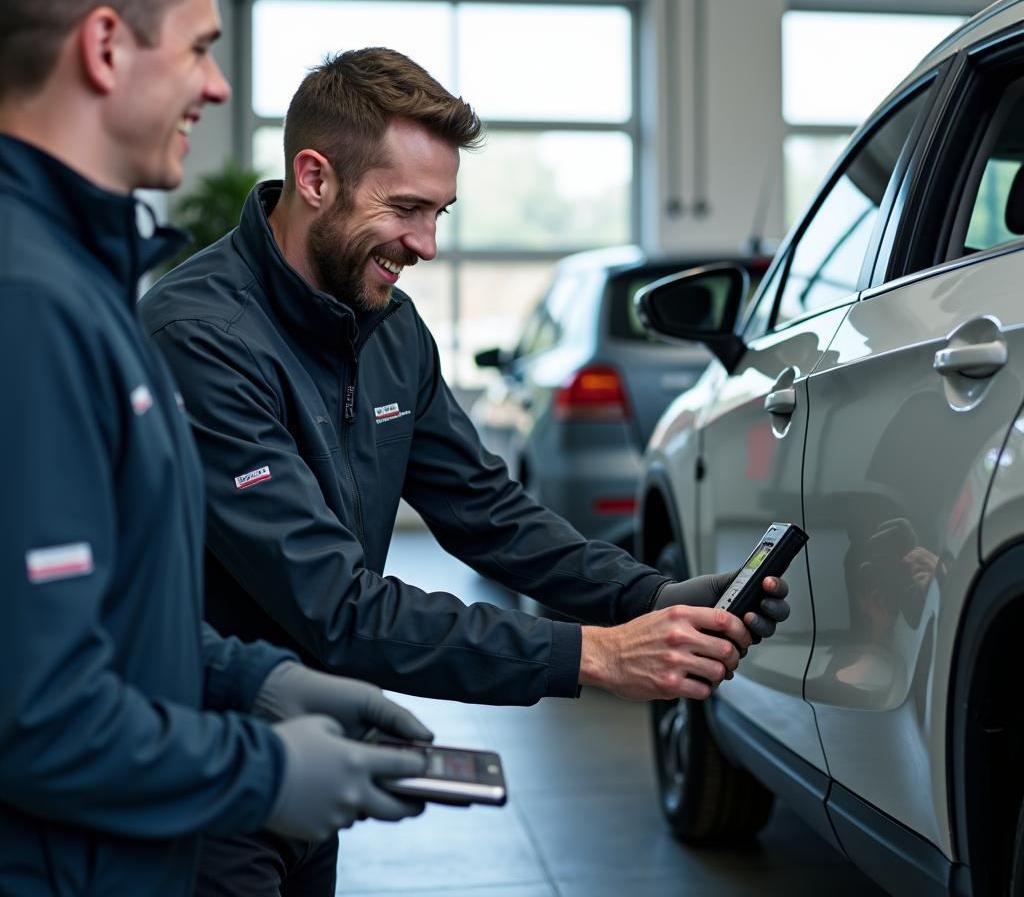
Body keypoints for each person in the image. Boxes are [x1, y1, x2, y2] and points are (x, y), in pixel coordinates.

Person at [140, 46, 790, 896]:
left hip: (319, 754)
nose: (427, 244)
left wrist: (646, 598)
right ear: (314, 178)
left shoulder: (389, 327)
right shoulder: (201, 338)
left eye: (440, 211)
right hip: (211, 771)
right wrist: (593, 654)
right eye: (406, 209)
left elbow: (487, 509)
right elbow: (335, 605)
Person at [0, 0, 435, 896]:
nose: (218, 87)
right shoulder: (29, 303)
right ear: (105, 48)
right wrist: (267, 767)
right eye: (198, 47)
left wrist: (257, 678)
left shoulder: (83, 281)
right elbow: (40, 712)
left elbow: (98, 616)